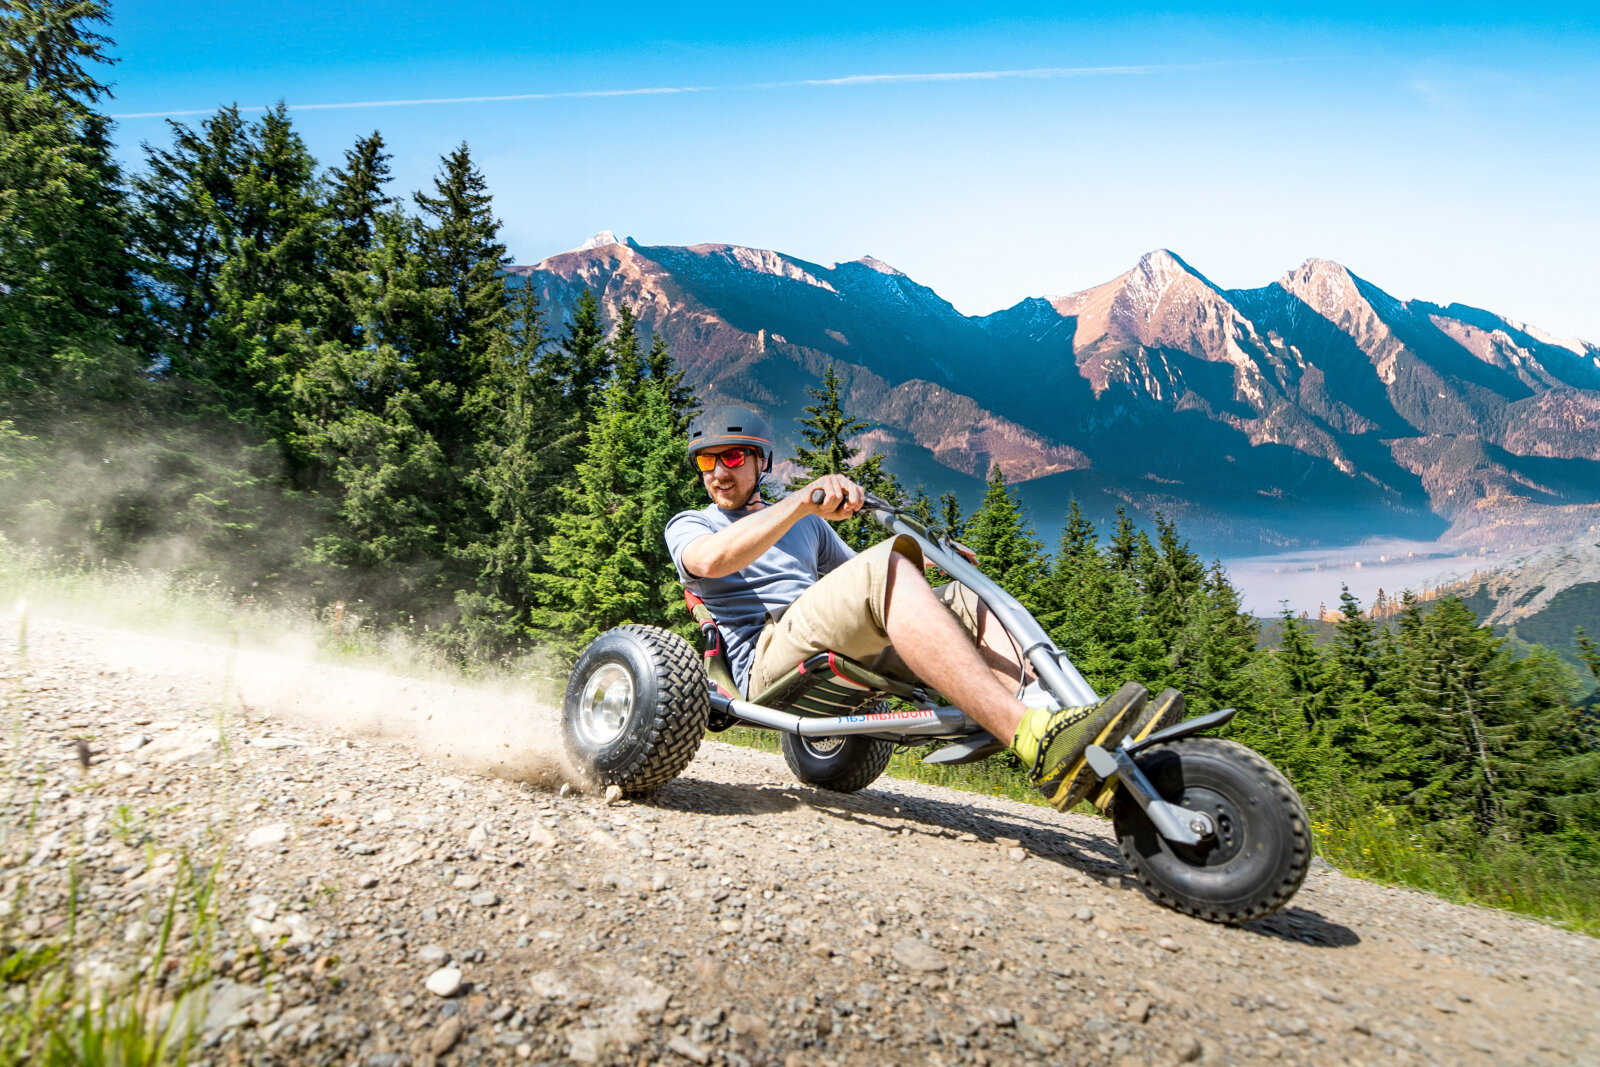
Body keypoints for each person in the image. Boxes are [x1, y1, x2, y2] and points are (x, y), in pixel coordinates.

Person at [664, 405, 1183, 810]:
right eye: (707, 461)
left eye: (731, 457)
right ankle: (1033, 738)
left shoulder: (809, 526)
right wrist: (799, 501)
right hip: (767, 657)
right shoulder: (694, 524)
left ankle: (1063, 723)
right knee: (887, 566)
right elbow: (711, 562)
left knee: (969, 594)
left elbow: (869, 583)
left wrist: (936, 564)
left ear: (761, 461)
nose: (717, 472)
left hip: (827, 639)